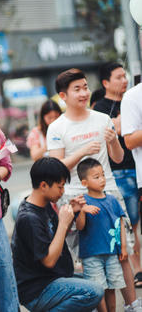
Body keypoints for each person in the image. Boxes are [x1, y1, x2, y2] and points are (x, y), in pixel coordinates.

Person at [46, 68, 140, 312]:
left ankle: (133, 305)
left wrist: (111, 141)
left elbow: (118, 158)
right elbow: (55, 168)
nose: (84, 93)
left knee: (123, 252)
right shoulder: (57, 127)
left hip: (109, 194)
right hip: (75, 199)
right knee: (89, 259)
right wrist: (82, 152)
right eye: (77, 89)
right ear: (63, 96)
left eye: (86, 87)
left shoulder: (101, 119)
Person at [11, 157, 103, 311]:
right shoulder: (29, 218)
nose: (63, 191)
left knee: (97, 282)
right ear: (43, 185)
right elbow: (48, 261)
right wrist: (63, 223)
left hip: (54, 280)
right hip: (38, 289)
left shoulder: (44, 204)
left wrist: (71, 214)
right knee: (93, 292)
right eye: (60, 187)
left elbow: (56, 240)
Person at [94, 62, 142, 287]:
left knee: (137, 223)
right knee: (127, 223)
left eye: (125, 76)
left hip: (136, 167)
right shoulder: (101, 106)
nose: (124, 80)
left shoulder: (131, 99)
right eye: (118, 77)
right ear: (105, 82)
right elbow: (117, 131)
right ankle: (137, 269)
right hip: (117, 172)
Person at [76, 158, 127, 312]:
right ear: (84, 182)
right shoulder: (83, 201)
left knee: (112, 287)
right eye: (96, 177)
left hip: (112, 253)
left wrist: (123, 246)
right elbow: (80, 226)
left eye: (103, 175)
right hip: (91, 255)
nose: (102, 180)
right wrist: (82, 211)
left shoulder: (112, 199)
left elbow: (120, 223)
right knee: (98, 289)